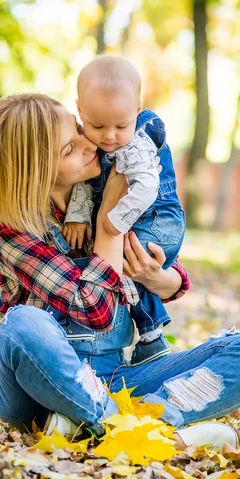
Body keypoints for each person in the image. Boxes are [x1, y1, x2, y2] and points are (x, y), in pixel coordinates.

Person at [0, 93, 240, 452]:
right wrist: (110, 225)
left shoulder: (96, 188)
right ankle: (142, 432)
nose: (91, 144)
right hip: (30, 393)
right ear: (34, 170)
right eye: (69, 149)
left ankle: (110, 420)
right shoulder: (8, 227)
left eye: (78, 131)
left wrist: (166, 280)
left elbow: (156, 261)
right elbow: (95, 310)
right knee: (23, 324)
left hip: (112, 377)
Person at [63, 56, 185, 366]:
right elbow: (85, 180)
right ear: (80, 111)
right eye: (97, 125)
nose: (110, 136)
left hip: (158, 223)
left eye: (121, 125)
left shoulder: (137, 146)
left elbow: (144, 190)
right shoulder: (87, 143)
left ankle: (151, 336)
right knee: (121, 266)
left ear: (137, 109)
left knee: (118, 269)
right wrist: (78, 216)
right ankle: (148, 338)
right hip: (134, 221)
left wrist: (111, 225)